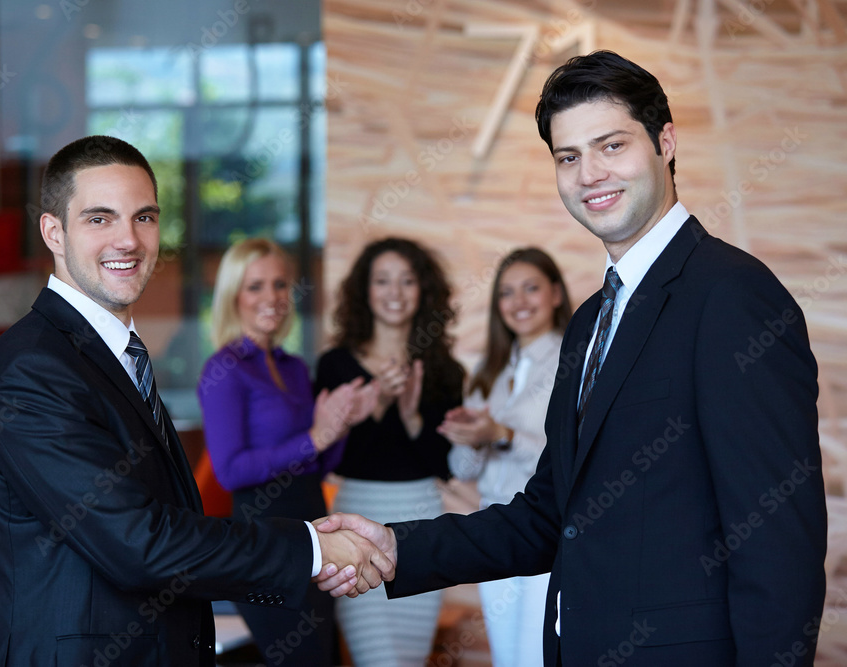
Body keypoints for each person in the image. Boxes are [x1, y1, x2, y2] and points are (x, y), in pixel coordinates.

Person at [316, 51, 827, 667]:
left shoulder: (733, 297)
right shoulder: (588, 323)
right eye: (569, 156)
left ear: (665, 143)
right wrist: (397, 546)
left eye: (611, 146)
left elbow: (777, 541)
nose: (590, 174)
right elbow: (547, 516)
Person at [0, 135, 390, 667]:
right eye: (100, 219)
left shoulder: (113, 355)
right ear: (54, 232)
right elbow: (139, 543)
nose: (129, 240)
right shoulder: (32, 370)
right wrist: (312, 549)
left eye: (144, 217)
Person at [198, 238, 377, 666]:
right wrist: (314, 437)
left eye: (280, 285)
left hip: (314, 534)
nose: (272, 297)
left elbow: (318, 465)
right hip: (263, 544)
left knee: (321, 656)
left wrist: (342, 425)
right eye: (255, 285)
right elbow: (230, 471)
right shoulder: (224, 371)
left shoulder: (294, 367)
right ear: (233, 296)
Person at [315, 237, 465, 667]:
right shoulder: (336, 365)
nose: (394, 292)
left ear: (424, 291)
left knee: (410, 657)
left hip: (421, 517)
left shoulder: (443, 369)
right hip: (356, 517)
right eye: (382, 281)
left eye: (407, 281)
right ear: (365, 290)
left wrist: (412, 414)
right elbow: (333, 461)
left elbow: (444, 467)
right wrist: (377, 404)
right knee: (377, 657)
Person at [438, 247, 570, 667]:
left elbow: (573, 458)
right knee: (507, 659)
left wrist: (502, 433)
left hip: (545, 532)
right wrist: (469, 437)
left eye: (531, 288)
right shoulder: (490, 371)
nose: (520, 302)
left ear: (555, 293)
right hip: (495, 531)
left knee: (536, 656)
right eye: (508, 293)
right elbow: (462, 470)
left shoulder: (573, 361)